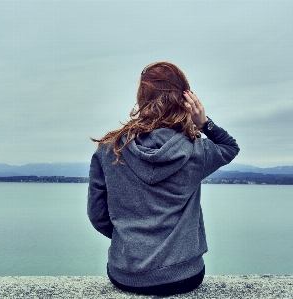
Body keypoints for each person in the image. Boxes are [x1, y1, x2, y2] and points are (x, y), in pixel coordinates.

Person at [87, 62, 240, 296]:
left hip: (126, 276)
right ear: (184, 99)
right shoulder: (195, 150)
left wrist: (127, 239)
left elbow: (97, 215)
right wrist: (204, 123)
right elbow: (229, 147)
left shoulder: (110, 150)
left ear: (141, 98)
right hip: (183, 276)